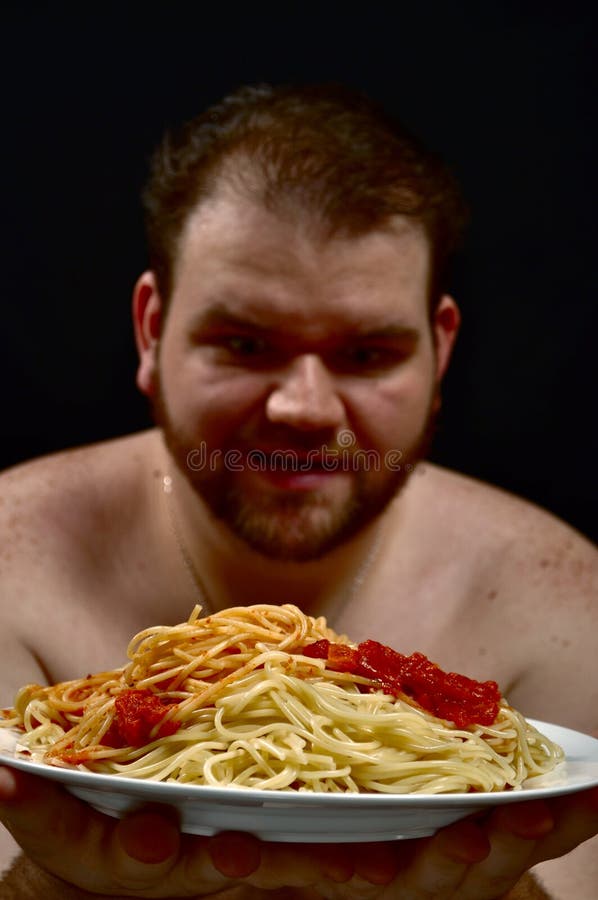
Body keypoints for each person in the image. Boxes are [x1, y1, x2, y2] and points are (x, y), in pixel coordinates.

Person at [0, 82, 596, 900]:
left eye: (367, 354)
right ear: (151, 331)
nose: (305, 409)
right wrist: (46, 888)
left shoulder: (562, 602)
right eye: (244, 343)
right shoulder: (10, 561)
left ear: (439, 352)